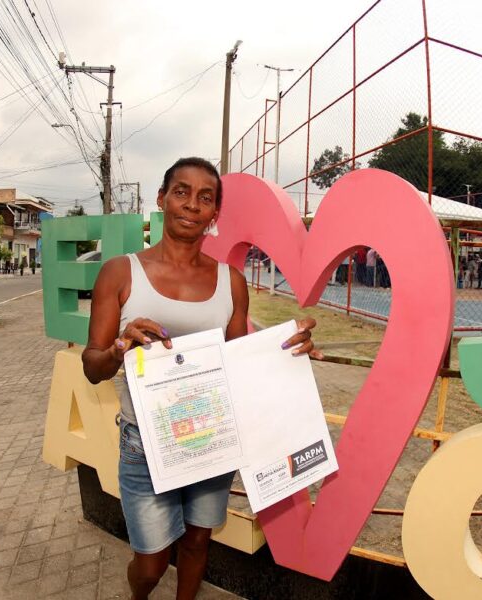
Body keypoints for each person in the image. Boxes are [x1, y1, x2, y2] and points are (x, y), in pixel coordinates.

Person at [81, 157, 322, 600]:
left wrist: (290, 350)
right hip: (145, 445)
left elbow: (241, 365)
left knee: (196, 542)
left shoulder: (231, 282)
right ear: (162, 198)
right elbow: (93, 366)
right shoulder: (120, 272)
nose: (192, 205)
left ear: (215, 214)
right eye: (181, 192)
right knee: (151, 563)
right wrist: (120, 345)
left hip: (212, 438)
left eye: (205, 198)